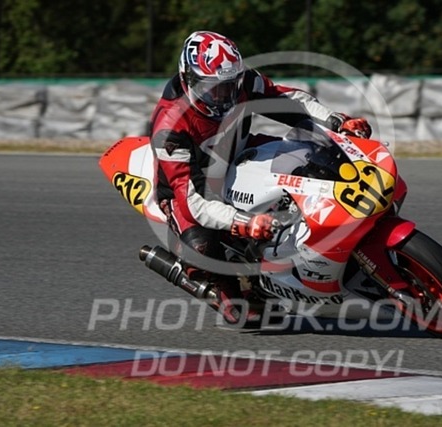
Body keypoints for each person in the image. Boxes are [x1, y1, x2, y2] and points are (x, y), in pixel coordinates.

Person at [149, 30, 372, 323]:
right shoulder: (170, 129)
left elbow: (286, 99)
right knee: (202, 248)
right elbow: (192, 203)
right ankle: (224, 290)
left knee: (312, 154)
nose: (223, 97)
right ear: (187, 78)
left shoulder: (242, 81)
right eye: (213, 89)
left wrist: (336, 121)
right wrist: (245, 222)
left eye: (229, 87)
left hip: (239, 151)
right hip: (192, 187)